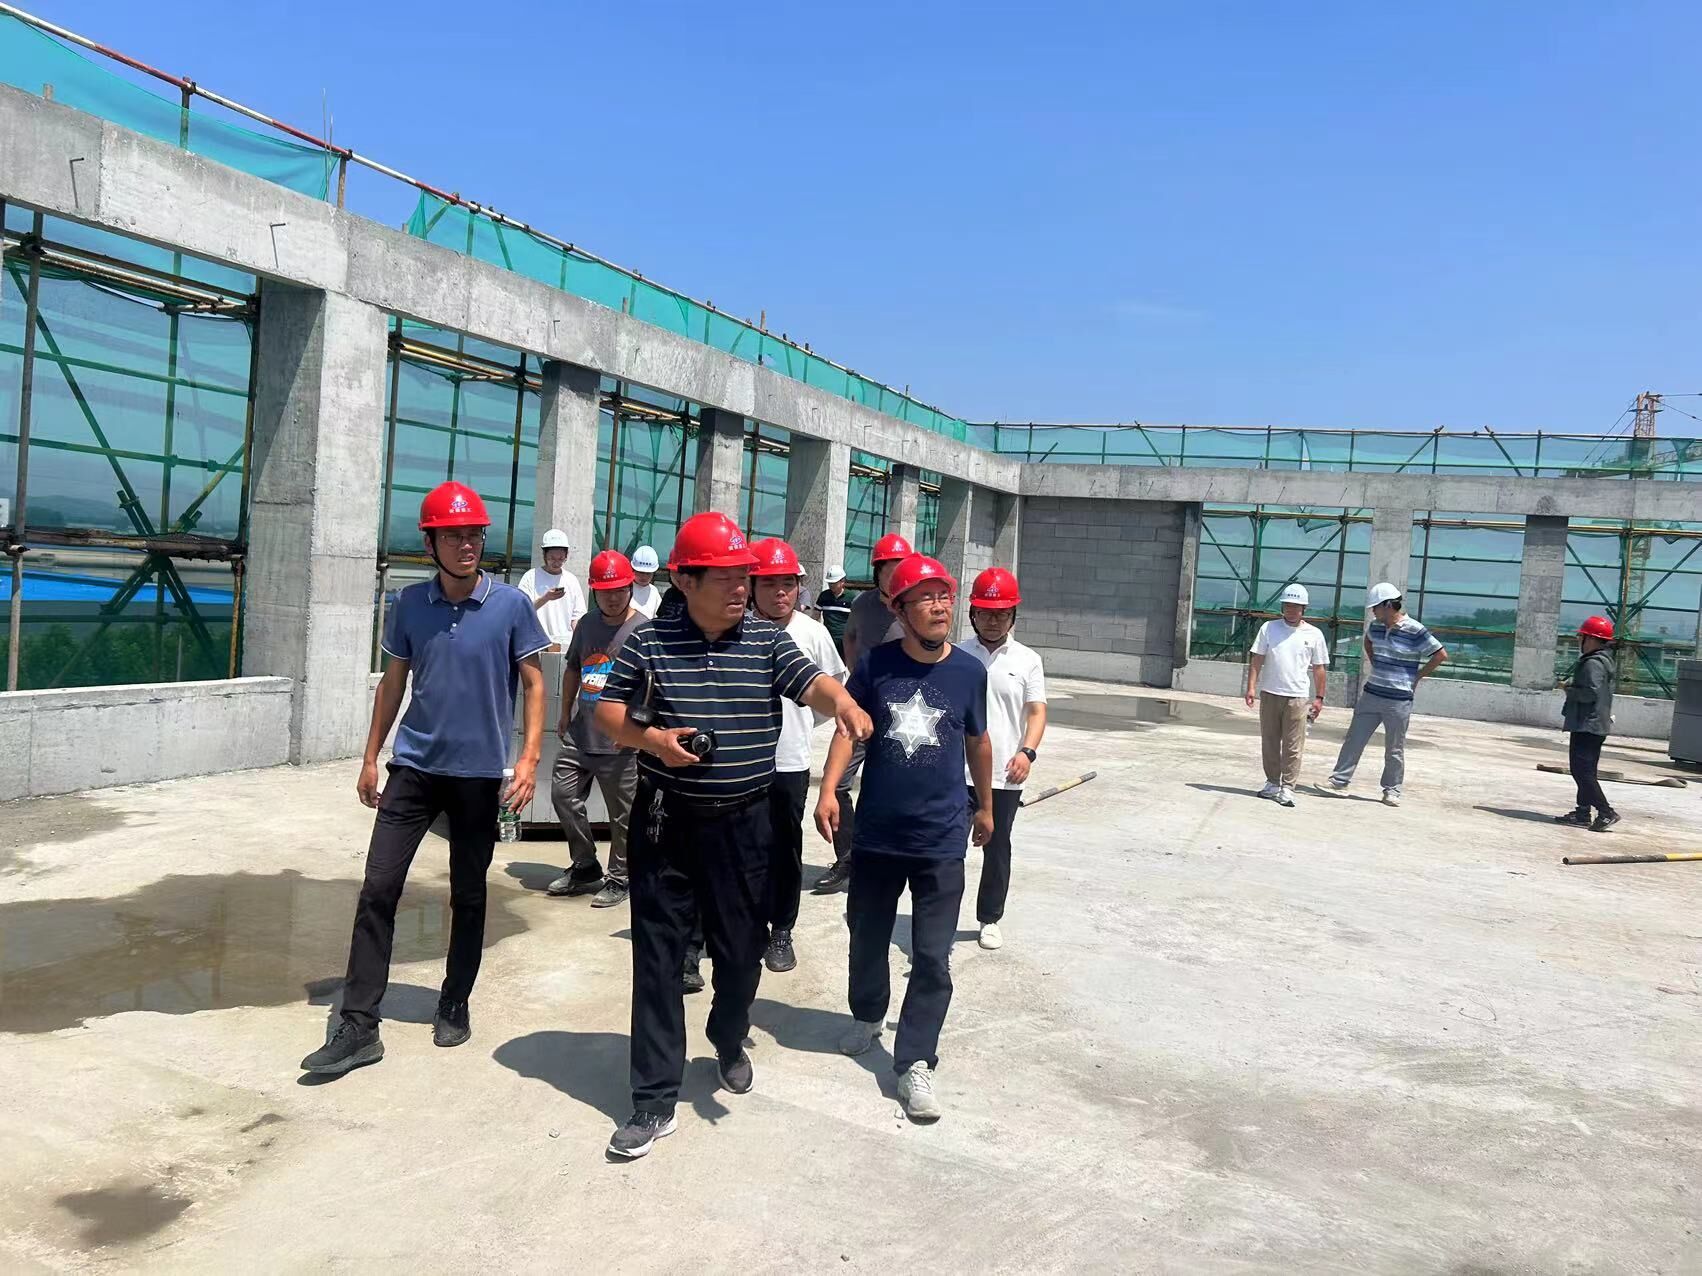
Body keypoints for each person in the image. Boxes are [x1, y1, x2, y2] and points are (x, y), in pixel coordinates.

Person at [594, 512, 872, 1159]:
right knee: (658, 960)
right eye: (725, 577)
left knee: (742, 951)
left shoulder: (766, 640)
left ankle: (727, 1034)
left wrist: (845, 704)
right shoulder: (649, 641)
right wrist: (652, 740)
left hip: (746, 824)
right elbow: (606, 710)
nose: (741, 588)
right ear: (685, 581)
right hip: (666, 821)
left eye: (744, 576)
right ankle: (653, 1098)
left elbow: (814, 683)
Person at [300, 482, 549, 1076]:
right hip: (413, 769)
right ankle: (359, 1025)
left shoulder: (511, 606)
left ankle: (455, 1000)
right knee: (378, 888)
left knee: (468, 892)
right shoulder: (410, 603)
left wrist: (528, 760)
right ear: (431, 543)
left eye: (474, 534)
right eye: (453, 535)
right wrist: (370, 756)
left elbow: (535, 683)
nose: (467, 545)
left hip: (477, 776)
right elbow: (393, 683)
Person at [817, 553, 993, 1123]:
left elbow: (978, 743)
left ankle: (916, 1059)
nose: (940, 606)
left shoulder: (969, 672)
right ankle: (868, 1016)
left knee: (933, 957)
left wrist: (986, 806)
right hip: (877, 835)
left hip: (941, 839)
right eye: (926, 598)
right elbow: (849, 728)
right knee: (866, 937)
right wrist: (828, 789)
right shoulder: (876, 666)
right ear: (900, 610)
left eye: (945, 596)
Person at [748, 537, 847, 974]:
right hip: (741, 763)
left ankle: (782, 929)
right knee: (740, 847)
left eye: (787, 583)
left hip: (789, 762)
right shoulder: (736, 630)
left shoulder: (813, 633)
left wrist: (801, 727)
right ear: (752, 587)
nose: (780, 592)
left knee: (785, 848)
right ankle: (743, 925)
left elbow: (834, 695)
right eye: (769, 584)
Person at [814, 532, 913, 895]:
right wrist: (856, 680)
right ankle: (848, 858)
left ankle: (889, 859)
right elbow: (851, 638)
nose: (895, 575)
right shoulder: (863, 605)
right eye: (889, 569)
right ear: (877, 572)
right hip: (861, 708)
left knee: (894, 788)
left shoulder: (913, 605)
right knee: (838, 782)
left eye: (901, 568)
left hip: (904, 713)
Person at [546, 550, 646, 908]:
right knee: (562, 794)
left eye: (619, 590)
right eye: (605, 591)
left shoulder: (644, 630)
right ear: (594, 592)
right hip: (581, 732)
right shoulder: (587, 624)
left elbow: (653, 686)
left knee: (624, 815)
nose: (613, 597)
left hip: (621, 740)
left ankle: (621, 878)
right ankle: (585, 865)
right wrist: (564, 712)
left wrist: (639, 732)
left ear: (630, 588)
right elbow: (574, 668)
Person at [959, 567, 1047, 952]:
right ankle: (940, 914)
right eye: (985, 613)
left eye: (1001, 614)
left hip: (1005, 774)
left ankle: (989, 918)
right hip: (958, 772)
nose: (993, 621)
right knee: (948, 848)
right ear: (972, 614)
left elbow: (1037, 712)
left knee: (997, 848)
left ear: (1013, 615)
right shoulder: (956, 654)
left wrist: (1027, 752)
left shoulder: (1027, 660)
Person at [1317, 581, 1447, 807]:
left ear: (1388, 605)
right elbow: (1368, 642)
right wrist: (1376, 662)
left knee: (1394, 747)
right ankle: (1339, 782)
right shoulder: (1376, 627)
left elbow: (1440, 655)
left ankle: (1392, 790)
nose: (1373, 611)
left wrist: (1417, 677)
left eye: (1375, 607)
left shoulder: (1415, 630)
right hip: (1371, 694)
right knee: (1354, 739)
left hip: (1399, 700)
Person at [1244, 583, 1329, 808]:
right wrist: (1251, 687)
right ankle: (1272, 783)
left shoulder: (1314, 634)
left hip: (1297, 697)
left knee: (1293, 744)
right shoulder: (1269, 628)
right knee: (1270, 741)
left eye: (1296, 606)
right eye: (1287, 606)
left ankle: (1288, 787)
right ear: (1282, 606)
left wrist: (1319, 698)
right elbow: (1257, 658)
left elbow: (1319, 668)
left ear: (1304, 609)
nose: (1291, 610)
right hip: (1270, 693)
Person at [1556, 615, 1620, 832]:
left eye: (1581, 637)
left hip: (1587, 724)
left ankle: (1606, 812)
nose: (1579, 640)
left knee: (1582, 771)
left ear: (1591, 639)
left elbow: (1590, 693)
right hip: (1593, 724)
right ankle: (1582, 813)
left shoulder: (1593, 663)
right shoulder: (1603, 661)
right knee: (1585, 771)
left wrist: (1569, 689)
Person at [517, 528, 587, 648]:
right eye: (552, 558)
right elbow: (521, 611)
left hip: (565, 644)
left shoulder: (571, 580)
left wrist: (581, 643)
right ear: (544, 555)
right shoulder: (530, 577)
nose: (556, 563)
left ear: (566, 555)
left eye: (561, 559)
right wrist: (545, 598)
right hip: (536, 643)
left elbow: (577, 618)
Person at [814, 565, 853, 654]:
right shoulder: (824, 596)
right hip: (827, 638)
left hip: (844, 640)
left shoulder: (851, 597)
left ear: (842, 581)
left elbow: (857, 619)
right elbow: (815, 615)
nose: (831, 585)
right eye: (829, 583)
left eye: (834, 583)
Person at [630, 545, 663, 619]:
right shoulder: (626, 589)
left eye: (648, 573)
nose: (644, 577)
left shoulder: (654, 592)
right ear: (633, 570)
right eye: (641, 572)